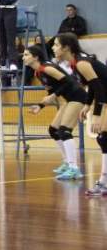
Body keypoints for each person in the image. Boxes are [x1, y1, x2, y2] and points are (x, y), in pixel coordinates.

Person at [51, 33, 107, 193]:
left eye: (56, 45)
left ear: (66, 47)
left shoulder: (81, 63)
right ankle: (104, 182)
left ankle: (104, 182)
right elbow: (93, 86)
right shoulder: (76, 63)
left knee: (104, 138)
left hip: (104, 96)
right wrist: (87, 105)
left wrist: (96, 115)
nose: (53, 48)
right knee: (104, 139)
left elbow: (99, 88)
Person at [23, 44, 87, 181]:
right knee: (53, 130)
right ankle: (67, 162)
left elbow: (69, 82)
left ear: (36, 57)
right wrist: (40, 106)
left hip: (78, 96)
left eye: (26, 55)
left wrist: (53, 96)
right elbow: (52, 91)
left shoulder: (47, 68)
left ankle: (74, 168)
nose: (23, 57)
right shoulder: (38, 73)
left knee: (64, 131)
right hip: (68, 99)